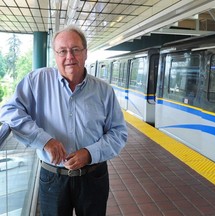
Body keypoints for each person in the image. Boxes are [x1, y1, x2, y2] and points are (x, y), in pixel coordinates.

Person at [0, 25, 128, 216]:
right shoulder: (37, 81)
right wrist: (44, 140)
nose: (70, 56)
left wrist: (89, 153)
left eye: (75, 50)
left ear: (85, 53)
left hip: (93, 176)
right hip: (53, 178)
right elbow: (9, 111)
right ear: (55, 55)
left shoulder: (104, 91)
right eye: (62, 51)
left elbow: (119, 133)